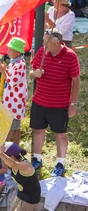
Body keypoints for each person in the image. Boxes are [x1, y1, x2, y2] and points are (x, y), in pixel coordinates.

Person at [29, 28, 80, 177]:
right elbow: (32, 72)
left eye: (47, 41)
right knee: (38, 130)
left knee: (60, 134)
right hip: (40, 100)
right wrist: (34, 74)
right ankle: (37, 158)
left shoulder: (70, 56)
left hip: (59, 104)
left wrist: (73, 104)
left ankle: (60, 163)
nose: (44, 45)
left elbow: (76, 80)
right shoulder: (42, 52)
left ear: (57, 42)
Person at [0, 37, 27, 145]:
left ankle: (10, 149)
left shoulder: (20, 64)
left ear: (17, 52)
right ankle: (12, 149)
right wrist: (2, 69)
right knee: (12, 126)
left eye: (10, 50)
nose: (8, 52)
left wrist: (3, 70)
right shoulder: (14, 62)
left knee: (12, 127)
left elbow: (13, 80)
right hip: (11, 100)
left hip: (15, 101)